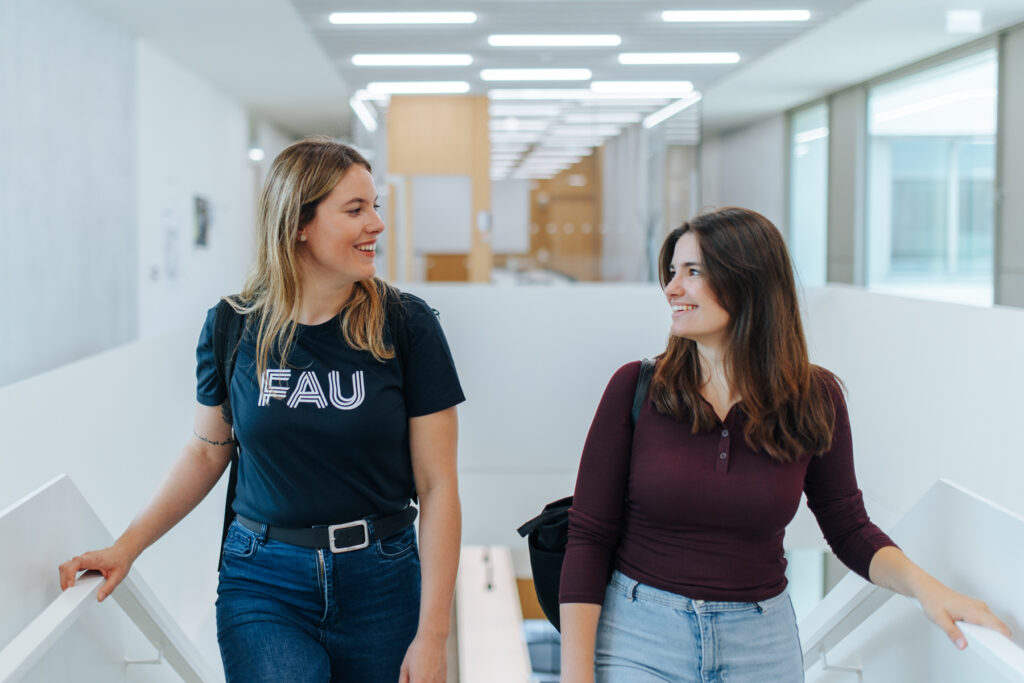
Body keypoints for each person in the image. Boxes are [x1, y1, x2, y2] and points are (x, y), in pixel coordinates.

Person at [59, 138, 465, 683]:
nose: (377, 224)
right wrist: (126, 547)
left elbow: (438, 485)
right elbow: (207, 453)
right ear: (299, 223)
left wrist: (434, 634)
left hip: (383, 580)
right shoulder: (233, 325)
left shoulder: (406, 325)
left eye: (376, 207)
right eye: (355, 210)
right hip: (265, 581)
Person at [558, 207, 1010, 682]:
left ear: (746, 281)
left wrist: (929, 590)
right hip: (640, 637)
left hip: (760, 646)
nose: (671, 288)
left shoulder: (815, 399)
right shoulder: (637, 388)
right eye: (672, 273)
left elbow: (849, 528)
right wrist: (576, 675)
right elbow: (589, 537)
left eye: (692, 272)